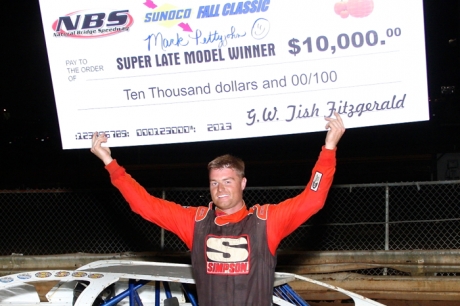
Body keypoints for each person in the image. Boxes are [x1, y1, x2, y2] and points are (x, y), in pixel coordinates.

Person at [91, 112, 345, 306]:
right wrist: (109, 162)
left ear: (243, 183)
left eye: (227, 181)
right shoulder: (196, 222)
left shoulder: (266, 220)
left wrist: (329, 149)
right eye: (214, 182)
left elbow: (312, 199)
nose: (220, 188)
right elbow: (143, 204)